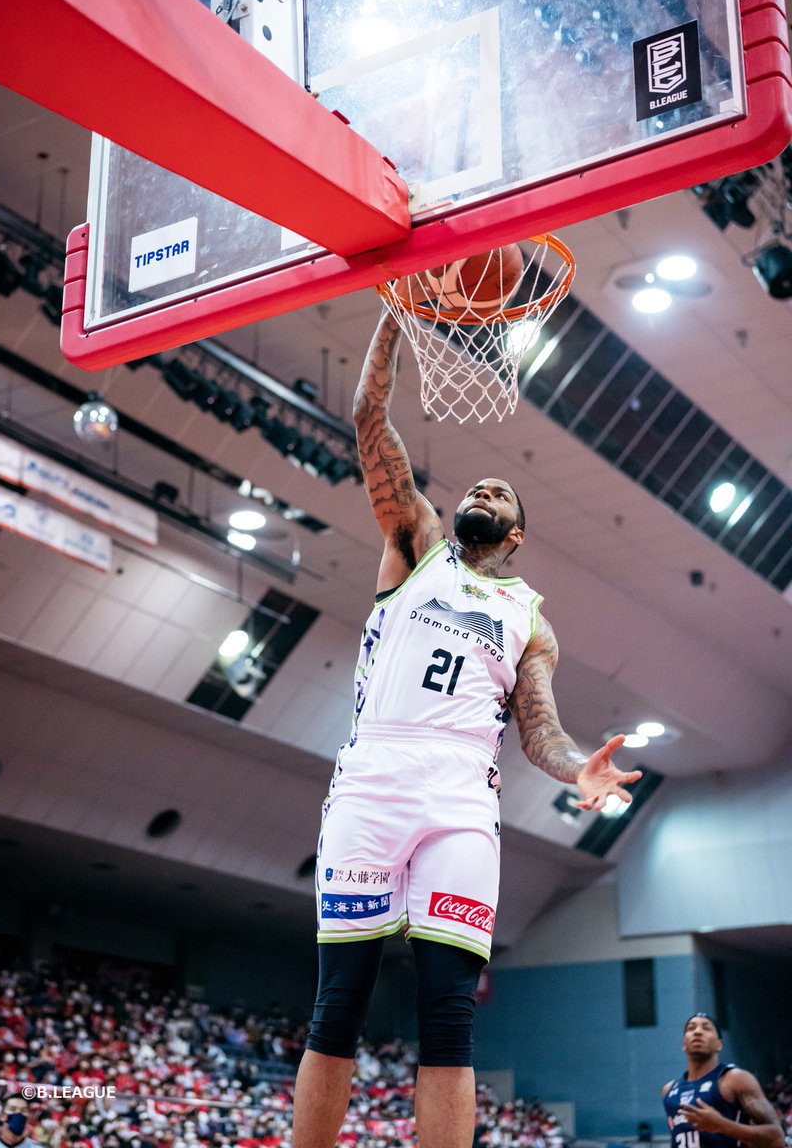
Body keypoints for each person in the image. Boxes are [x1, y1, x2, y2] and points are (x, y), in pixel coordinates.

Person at [292, 310, 642, 1148]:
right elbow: (368, 418)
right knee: (339, 999)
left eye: (499, 494)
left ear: (515, 535)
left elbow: (540, 731)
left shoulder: (530, 619)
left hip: (459, 794)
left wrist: (579, 771)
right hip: (374, 775)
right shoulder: (414, 544)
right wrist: (392, 315)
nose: (482, 492)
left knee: (448, 1011)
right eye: (475, 488)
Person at [662, 1013, 783, 1148]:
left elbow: (777, 1138)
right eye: (691, 1028)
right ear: (684, 1044)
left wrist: (722, 1125)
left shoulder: (736, 1079)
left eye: (706, 1028)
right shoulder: (669, 1090)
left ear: (718, 1045)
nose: (697, 1032)